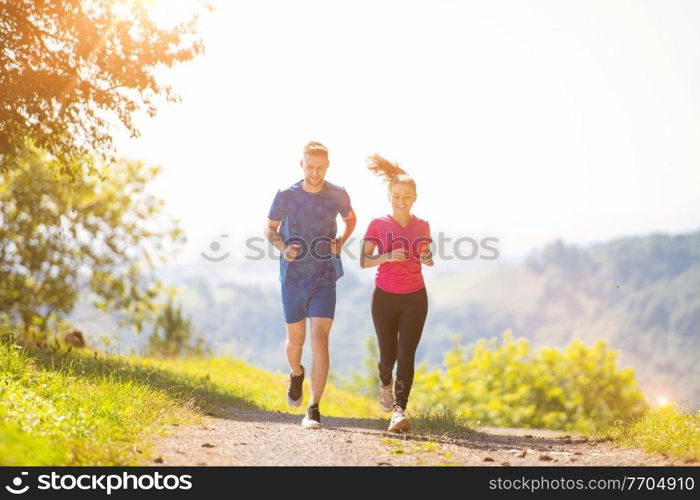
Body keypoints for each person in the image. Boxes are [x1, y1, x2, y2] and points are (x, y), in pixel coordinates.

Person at [265, 141, 356, 429]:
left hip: (324, 276)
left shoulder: (337, 194)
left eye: (320, 167)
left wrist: (341, 240)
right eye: (310, 166)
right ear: (301, 164)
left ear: (327, 166)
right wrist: (282, 247)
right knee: (296, 343)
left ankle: (313, 408)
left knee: (320, 339)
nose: (315, 172)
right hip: (292, 278)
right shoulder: (285, 196)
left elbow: (351, 220)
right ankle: (295, 373)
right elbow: (269, 228)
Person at [360, 154, 433, 433]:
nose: (401, 200)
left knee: (406, 353)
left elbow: (426, 255)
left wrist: (427, 257)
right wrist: (387, 256)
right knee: (387, 355)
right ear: (389, 195)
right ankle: (385, 383)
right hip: (385, 297)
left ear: (414, 197)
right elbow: (364, 260)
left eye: (407, 196)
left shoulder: (422, 225)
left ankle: (399, 411)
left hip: (415, 296)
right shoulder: (378, 224)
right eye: (396, 195)